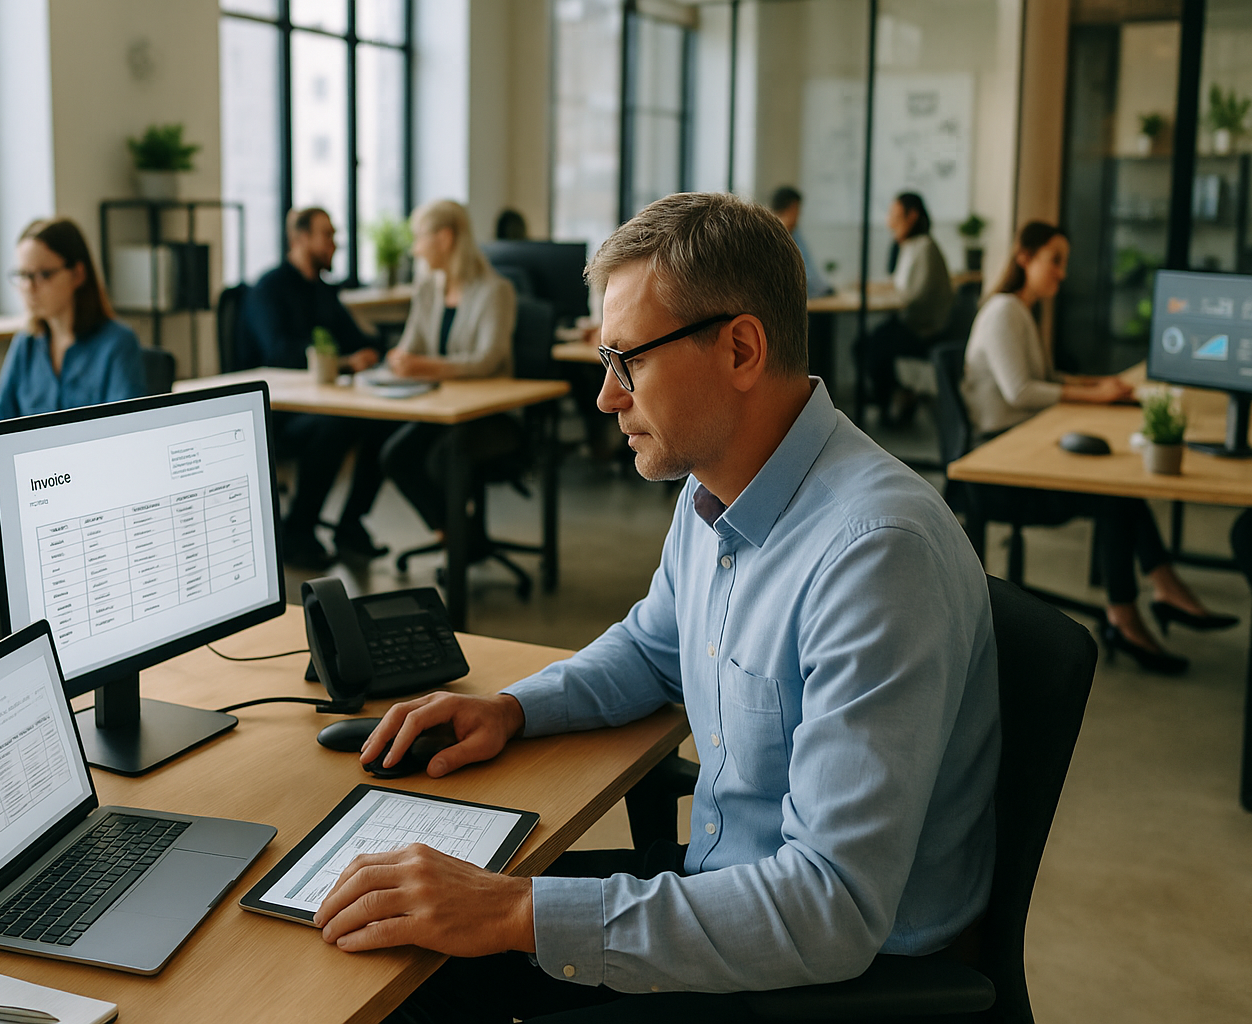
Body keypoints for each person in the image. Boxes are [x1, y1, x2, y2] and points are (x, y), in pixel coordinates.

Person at [314, 192, 1002, 1020]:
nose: (607, 397)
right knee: (398, 940)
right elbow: (651, 648)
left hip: (836, 974)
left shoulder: (876, 555)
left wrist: (509, 913)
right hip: (730, 889)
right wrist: (508, 709)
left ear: (742, 348)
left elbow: (832, 907)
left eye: (626, 361)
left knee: (429, 983)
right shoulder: (717, 489)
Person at [962, 221, 1236, 673]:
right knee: (1113, 495)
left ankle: (1161, 588)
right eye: (1055, 260)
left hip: (1023, 445)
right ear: (1024, 257)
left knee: (1119, 490)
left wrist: (1098, 384)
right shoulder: (1005, 311)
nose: (1062, 273)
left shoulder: (1022, 310)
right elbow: (1020, 392)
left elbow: (1046, 382)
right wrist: (1095, 395)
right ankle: (1128, 614)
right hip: (1000, 467)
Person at [0, 216, 146, 634]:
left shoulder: (117, 344)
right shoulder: (27, 345)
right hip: (31, 501)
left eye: (43, 275)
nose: (30, 288)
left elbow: (121, 444)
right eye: (23, 276)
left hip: (84, 513)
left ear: (77, 274)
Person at [239, 207, 391, 569]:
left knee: (381, 424)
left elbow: (354, 338)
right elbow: (277, 352)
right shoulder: (268, 288)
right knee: (333, 428)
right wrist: (341, 362)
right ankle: (298, 531)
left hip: (315, 402)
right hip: (274, 411)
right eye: (327, 235)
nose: (335, 245)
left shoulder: (322, 291)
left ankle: (351, 525)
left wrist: (378, 350)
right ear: (300, 238)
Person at [380, 199, 518, 540]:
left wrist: (423, 366)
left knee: (442, 459)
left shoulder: (494, 291)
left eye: (419, 238)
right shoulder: (428, 289)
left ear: (444, 238)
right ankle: (457, 535)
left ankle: (460, 540)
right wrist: (401, 358)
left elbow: (488, 360)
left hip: (486, 415)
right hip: (441, 408)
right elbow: (411, 345)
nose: (415, 249)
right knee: (395, 455)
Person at [861, 191, 954, 425]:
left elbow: (911, 296)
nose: (889, 221)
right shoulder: (912, 246)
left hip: (921, 329)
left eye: (894, 215)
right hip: (907, 323)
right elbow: (899, 284)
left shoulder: (924, 248)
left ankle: (890, 409)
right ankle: (892, 400)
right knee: (863, 346)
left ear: (911, 216)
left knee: (872, 352)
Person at [769, 185, 833, 298]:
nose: (799, 215)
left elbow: (810, 272)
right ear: (791, 209)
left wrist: (824, 289)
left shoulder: (795, 234)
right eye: (798, 210)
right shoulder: (770, 237)